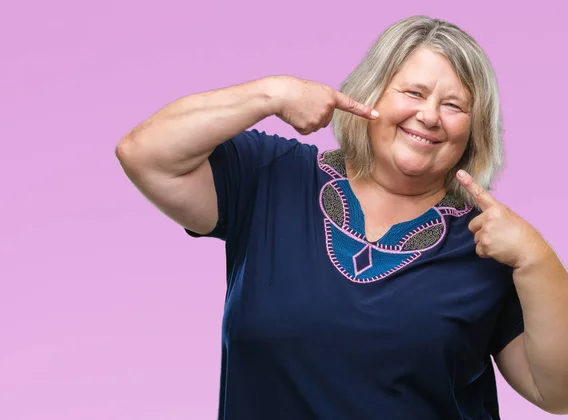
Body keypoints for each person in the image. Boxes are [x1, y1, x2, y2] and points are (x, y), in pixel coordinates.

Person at [115, 15, 568, 420]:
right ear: (371, 94)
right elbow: (145, 154)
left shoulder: (486, 242)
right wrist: (272, 93)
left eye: (454, 105)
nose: (429, 116)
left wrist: (536, 258)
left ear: (473, 128)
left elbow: (558, 393)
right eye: (413, 92)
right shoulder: (273, 177)